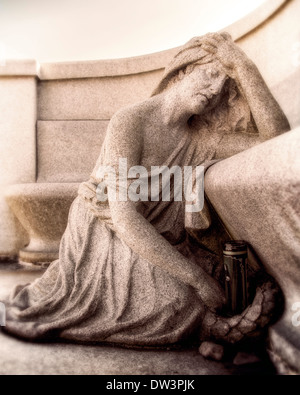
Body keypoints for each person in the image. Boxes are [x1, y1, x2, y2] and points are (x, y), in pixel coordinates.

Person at [3, 33, 290, 346]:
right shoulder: (130, 121)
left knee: (202, 288)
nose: (214, 90)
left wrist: (244, 68)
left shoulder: (201, 139)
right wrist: (194, 277)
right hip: (103, 232)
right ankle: (212, 328)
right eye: (209, 74)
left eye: (224, 86)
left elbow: (275, 141)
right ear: (183, 70)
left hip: (152, 235)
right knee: (180, 301)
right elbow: (124, 218)